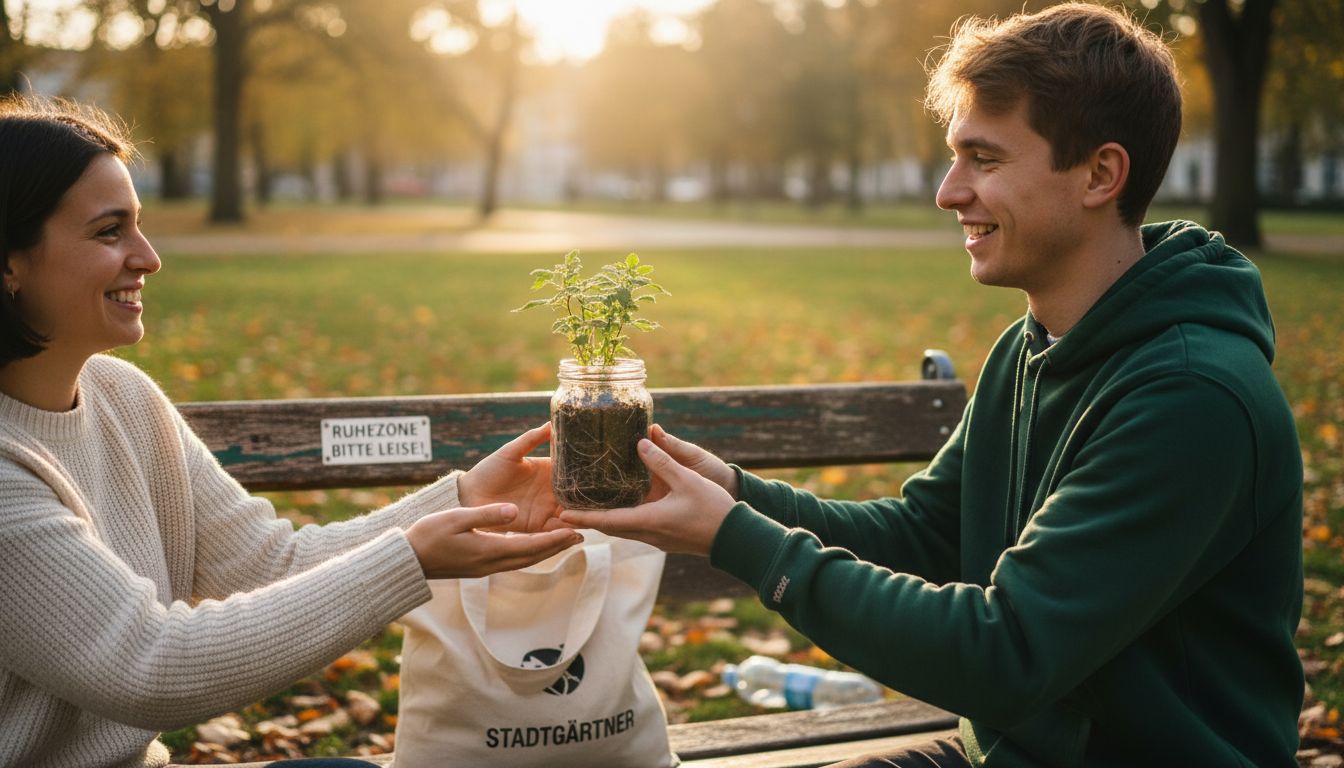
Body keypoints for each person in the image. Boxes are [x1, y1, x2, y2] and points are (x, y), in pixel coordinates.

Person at [561, 4, 1305, 766]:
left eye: (984, 160)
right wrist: (734, 491)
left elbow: (1005, 655)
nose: (949, 192)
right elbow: (926, 537)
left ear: (1100, 174)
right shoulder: (1034, 347)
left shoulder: (1191, 397)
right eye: (955, 158)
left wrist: (736, 539)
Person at [0, 95, 581, 767]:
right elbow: (151, 666)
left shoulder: (124, 398)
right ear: (10, 260)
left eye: (140, 226)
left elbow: (269, 565)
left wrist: (462, 504)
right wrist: (412, 559)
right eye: (110, 232)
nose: (149, 258)